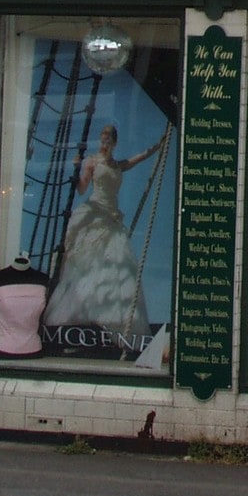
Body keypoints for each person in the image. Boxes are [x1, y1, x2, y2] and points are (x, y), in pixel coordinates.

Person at [43, 123, 163, 336]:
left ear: (114, 143)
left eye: (108, 141)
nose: (104, 145)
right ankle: (81, 314)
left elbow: (140, 157)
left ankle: (110, 317)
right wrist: (78, 168)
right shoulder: (92, 162)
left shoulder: (118, 165)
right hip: (95, 212)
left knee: (115, 263)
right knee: (88, 264)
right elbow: (81, 189)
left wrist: (157, 147)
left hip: (112, 216)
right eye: (103, 140)